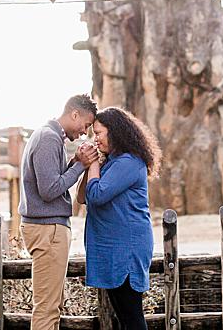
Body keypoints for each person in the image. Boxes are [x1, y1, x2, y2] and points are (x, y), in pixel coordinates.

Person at [77, 107, 162, 330]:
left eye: (99, 133)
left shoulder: (129, 162)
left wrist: (94, 163)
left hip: (127, 248)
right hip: (113, 247)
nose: (96, 139)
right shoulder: (112, 162)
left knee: (131, 316)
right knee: (125, 316)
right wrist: (90, 165)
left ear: (114, 132)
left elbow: (96, 196)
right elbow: (82, 196)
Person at [20, 94, 99, 330]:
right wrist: (80, 166)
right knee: (47, 309)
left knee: (51, 306)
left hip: (48, 229)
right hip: (48, 230)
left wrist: (73, 162)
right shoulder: (48, 138)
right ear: (74, 114)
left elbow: (50, 179)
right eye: (85, 125)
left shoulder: (50, 136)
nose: (85, 132)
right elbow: (49, 190)